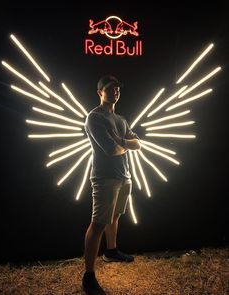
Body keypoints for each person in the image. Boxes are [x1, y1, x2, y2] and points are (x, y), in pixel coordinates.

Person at [82, 75, 141, 295]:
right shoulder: (94, 118)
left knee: (114, 217)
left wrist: (122, 141)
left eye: (117, 88)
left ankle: (111, 251)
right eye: (110, 88)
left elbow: (138, 143)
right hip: (104, 177)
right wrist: (124, 144)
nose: (115, 91)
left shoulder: (121, 120)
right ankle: (88, 276)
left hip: (124, 175)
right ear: (100, 92)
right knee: (98, 223)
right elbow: (110, 149)